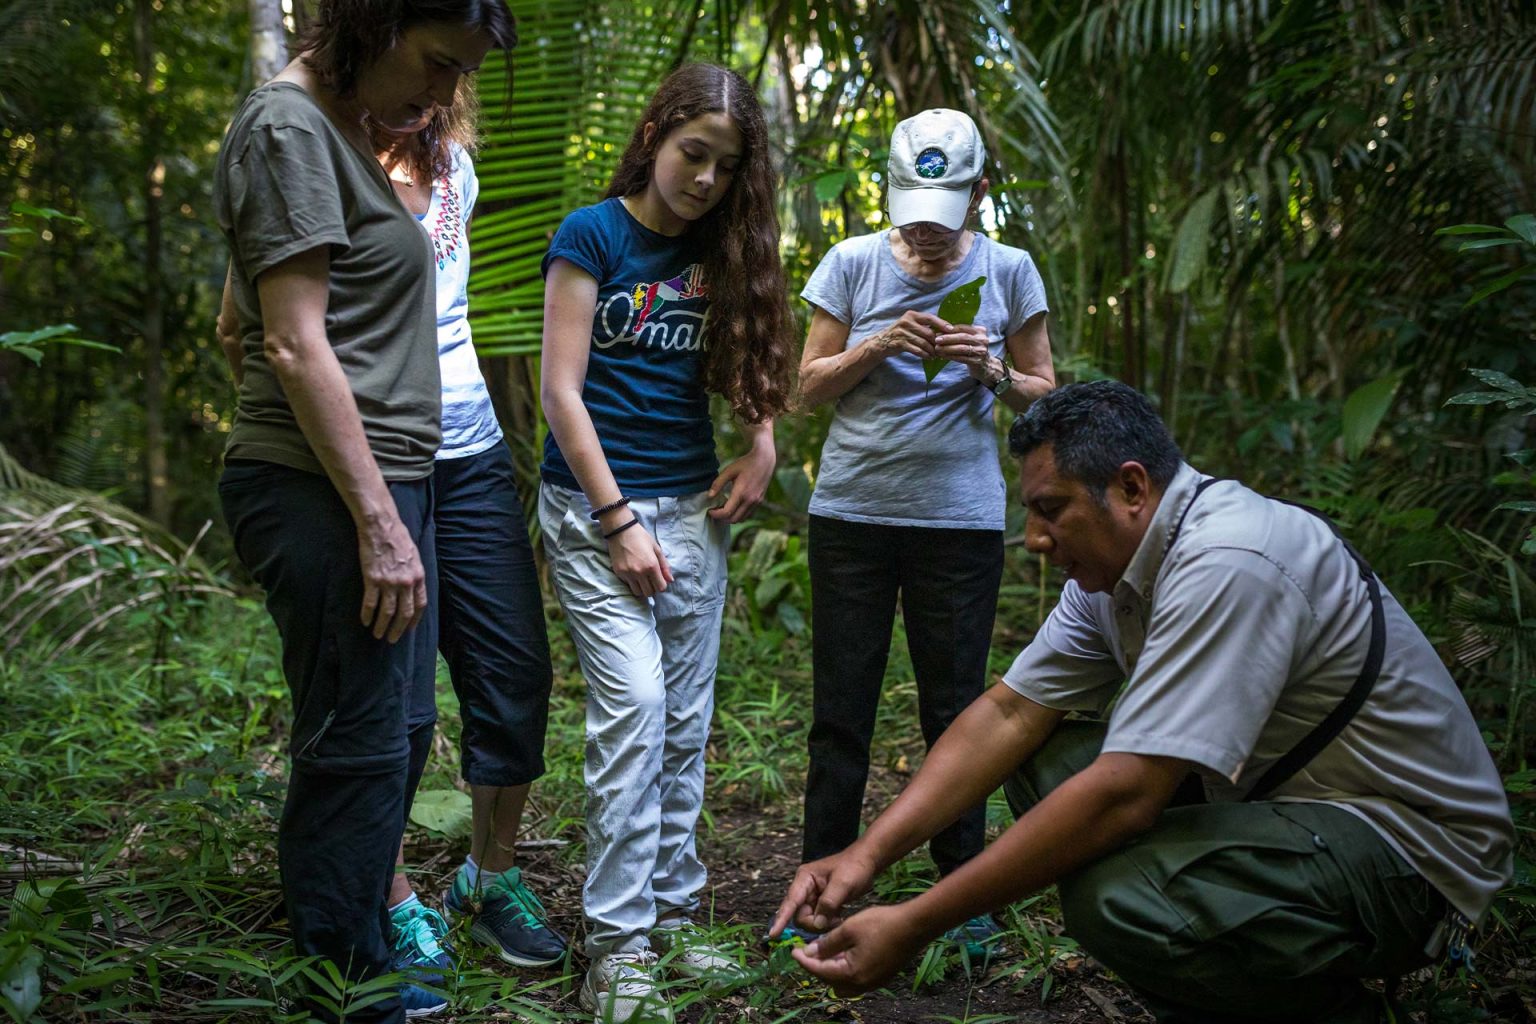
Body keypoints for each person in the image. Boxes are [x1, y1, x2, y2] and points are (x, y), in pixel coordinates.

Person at [771, 380, 1515, 1024]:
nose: (1034, 537)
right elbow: (1008, 714)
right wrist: (864, 856)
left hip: (1407, 847)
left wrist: (916, 923)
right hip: (1281, 804)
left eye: (1051, 509)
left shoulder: (1229, 558)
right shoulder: (1112, 574)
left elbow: (1126, 794)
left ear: (1132, 488)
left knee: (1117, 897)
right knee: (1046, 758)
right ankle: (1219, 956)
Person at [211, 2, 515, 1020]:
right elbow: (290, 343)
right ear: (373, 21)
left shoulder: (340, 131)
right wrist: (380, 522)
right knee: (357, 732)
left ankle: (356, 931)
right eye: (433, 61)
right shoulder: (290, 129)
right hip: (323, 486)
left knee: (395, 720)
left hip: (386, 478)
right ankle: (342, 977)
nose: (440, 94)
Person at [537, 62, 796, 1024]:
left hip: (693, 510)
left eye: (725, 167)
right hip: (593, 509)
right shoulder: (591, 234)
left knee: (684, 720)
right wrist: (616, 524)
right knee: (638, 708)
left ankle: (676, 912)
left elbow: (750, 363)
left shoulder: (725, 248)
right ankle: (617, 946)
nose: (704, 180)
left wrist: (762, 442)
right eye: (694, 154)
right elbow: (563, 392)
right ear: (657, 136)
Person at [793, 107, 1055, 952]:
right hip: (852, 518)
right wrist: (875, 346)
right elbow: (807, 387)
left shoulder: (1011, 268)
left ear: (979, 192)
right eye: (913, 213)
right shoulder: (852, 262)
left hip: (960, 522)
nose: (928, 237)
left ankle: (963, 897)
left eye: (946, 216)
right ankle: (819, 883)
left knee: (955, 712)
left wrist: (992, 368)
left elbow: (1048, 392)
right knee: (843, 712)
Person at [365, 89, 567, 994]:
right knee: (397, 704)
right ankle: (389, 892)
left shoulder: (458, 169)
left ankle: (487, 879)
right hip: (382, 460)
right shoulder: (324, 159)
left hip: (474, 448)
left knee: (515, 670)